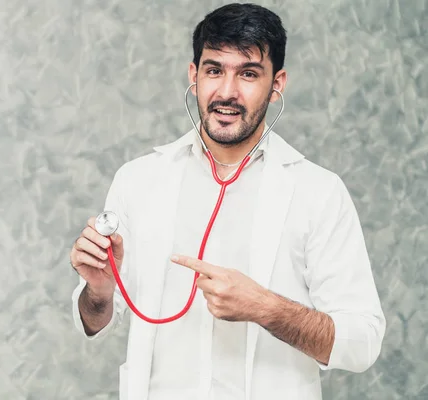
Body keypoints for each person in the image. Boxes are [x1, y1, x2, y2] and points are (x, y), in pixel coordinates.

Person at [69, 3, 386, 400]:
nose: (227, 92)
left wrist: (266, 307)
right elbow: (96, 320)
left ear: (277, 85)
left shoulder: (318, 192)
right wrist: (98, 290)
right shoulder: (137, 181)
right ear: (193, 75)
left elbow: (362, 344)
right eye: (214, 69)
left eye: (248, 74)